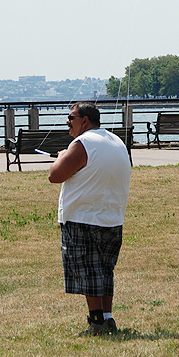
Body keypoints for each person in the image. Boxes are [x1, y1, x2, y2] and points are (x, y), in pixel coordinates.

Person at [48, 101, 131, 335]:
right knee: (104, 271)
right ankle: (107, 318)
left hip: (83, 217)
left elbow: (55, 175)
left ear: (85, 121)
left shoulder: (83, 143)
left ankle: (97, 324)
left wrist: (62, 156)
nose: (68, 122)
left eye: (71, 118)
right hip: (112, 217)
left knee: (89, 272)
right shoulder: (116, 141)